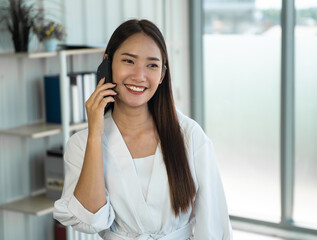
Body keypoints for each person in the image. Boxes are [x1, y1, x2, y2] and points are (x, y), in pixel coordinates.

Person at [54, 19, 232, 240]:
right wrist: (95, 135)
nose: (139, 76)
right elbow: (90, 221)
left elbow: (213, 223)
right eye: (128, 61)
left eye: (152, 65)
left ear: (162, 75)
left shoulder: (189, 135)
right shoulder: (81, 144)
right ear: (107, 64)